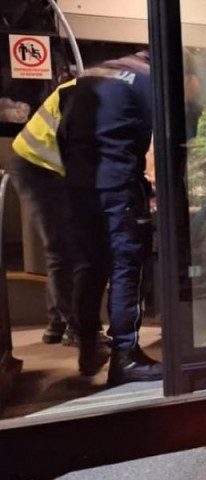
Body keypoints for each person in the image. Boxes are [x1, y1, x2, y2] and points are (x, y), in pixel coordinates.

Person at [59, 50, 199, 384]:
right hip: (118, 184)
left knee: (89, 264)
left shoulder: (90, 76)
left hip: (79, 185)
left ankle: (89, 346)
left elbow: (62, 132)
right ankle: (125, 356)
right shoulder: (150, 82)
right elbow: (171, 141)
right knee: (127, 265)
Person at [8, 78, 109, 351]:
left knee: (68, 246)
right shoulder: (96, 91)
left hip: (51, 163)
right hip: (37, 164)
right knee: (63, 247)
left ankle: (58, 322)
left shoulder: (103, 86)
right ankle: (75, 327)